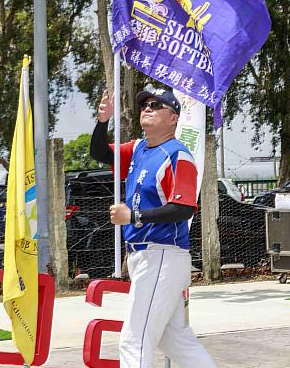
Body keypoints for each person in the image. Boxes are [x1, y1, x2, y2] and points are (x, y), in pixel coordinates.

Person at [90, 88, 216, 368]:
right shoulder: (137, 149)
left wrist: (133, 216)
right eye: (145, 104)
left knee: (134, 340)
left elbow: (183, 209)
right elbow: (99, 152)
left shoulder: (177, 156)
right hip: (145, 257)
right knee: (174, 339)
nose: (147, 108)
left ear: (173, 118)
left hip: (162, 254)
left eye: (156, 105)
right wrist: (102, 121)